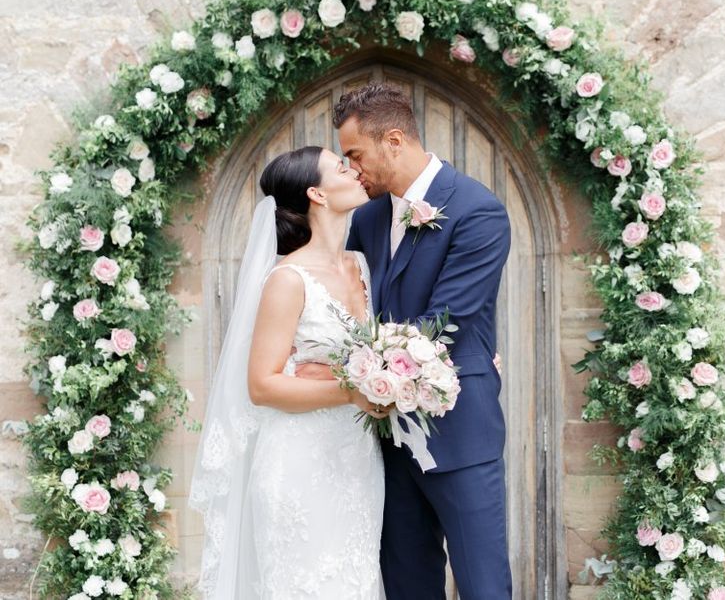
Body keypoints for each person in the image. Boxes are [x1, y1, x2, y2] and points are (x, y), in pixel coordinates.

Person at [300, 83, 513, 599]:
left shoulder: (477, 211)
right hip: (385, 442)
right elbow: (351, 307)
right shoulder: (369, 216)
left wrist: (345, 372)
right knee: (406, 585)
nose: (352, 170)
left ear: (394, 140)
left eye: (356, 155)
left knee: (483, 587)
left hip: (459, 433)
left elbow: (448, 320)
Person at [189, 145, 387, 599]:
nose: (354, 169)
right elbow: (261, 385)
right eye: (341, 166)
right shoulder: (288, 278)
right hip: (298, 463)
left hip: (357, 461)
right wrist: (351, 391)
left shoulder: (361, 266)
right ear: (316, 193)